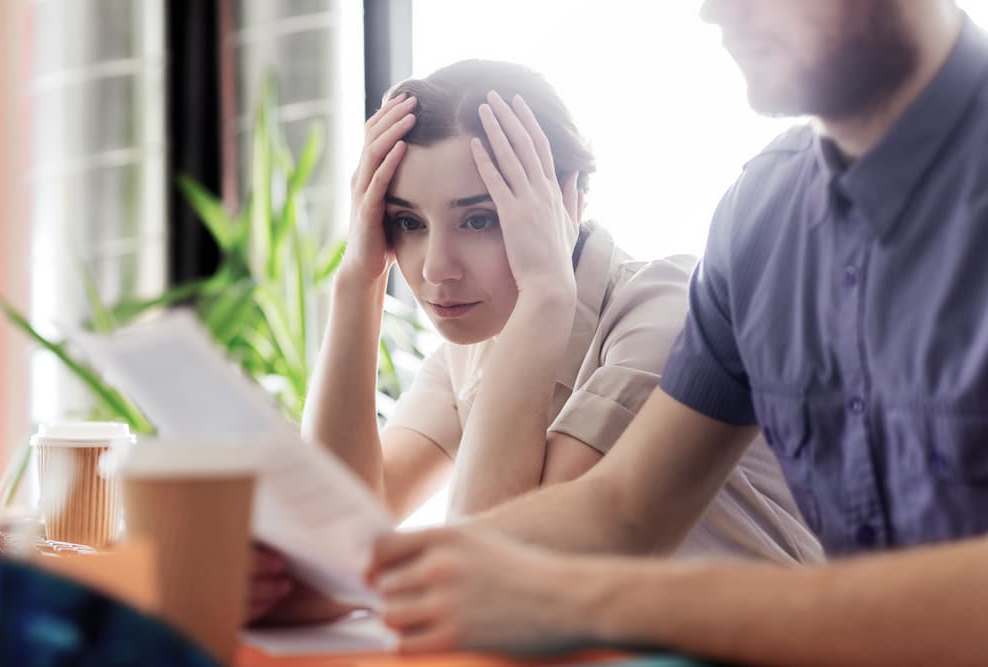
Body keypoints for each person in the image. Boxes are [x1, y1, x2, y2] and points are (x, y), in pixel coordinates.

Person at [369, 1, 988, 664]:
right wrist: (378, 577)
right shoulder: (763, 215)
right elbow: (623, 508)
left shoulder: (650, 305)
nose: (714, 9)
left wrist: (584, 598)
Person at [247, 59, 821, 624]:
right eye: (407, 223)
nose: (435, 269)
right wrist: (358, 279)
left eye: (478, 220)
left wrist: (548, 292)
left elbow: (491, 575)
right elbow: (344, 524)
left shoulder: (661, 314)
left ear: (567, 199)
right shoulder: (477, 342)